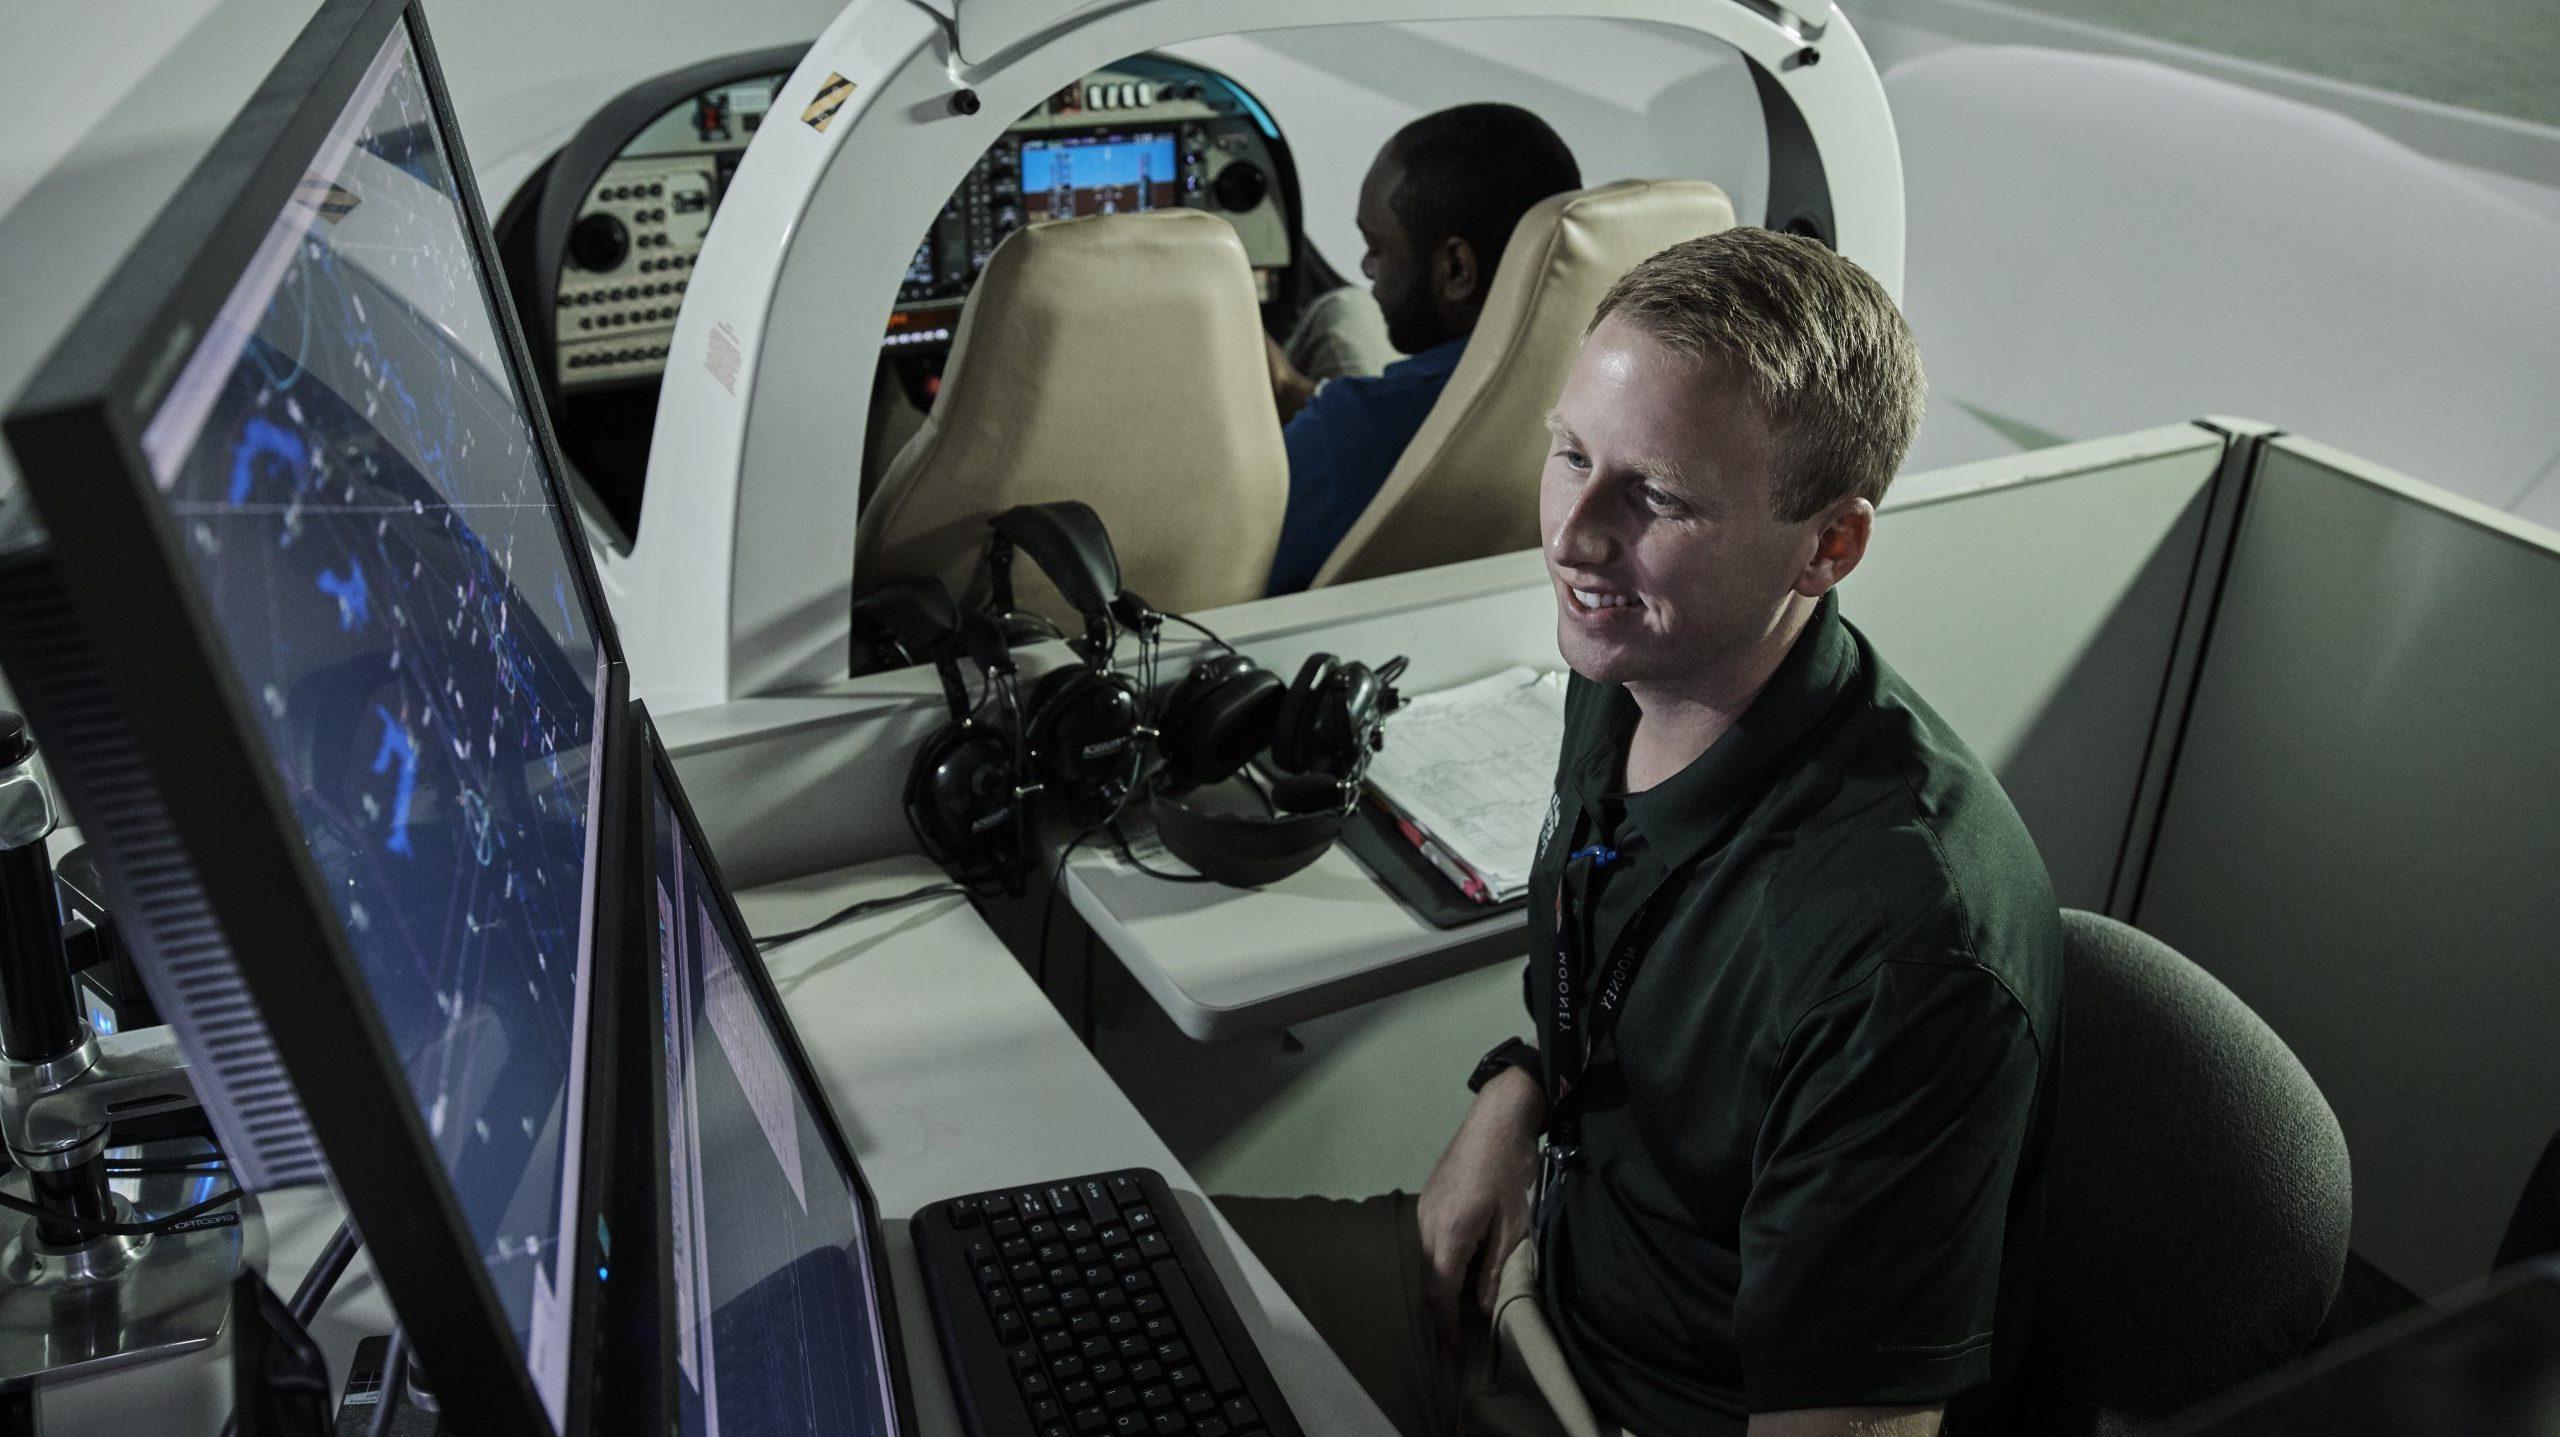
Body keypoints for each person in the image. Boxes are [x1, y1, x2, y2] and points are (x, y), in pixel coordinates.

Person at [1220, 229, 2065, 1437]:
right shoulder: (1629, 669)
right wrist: (1515, 1094)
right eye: (1571, 456)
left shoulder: (1900, 944)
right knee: (1081, 1277)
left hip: (1648, 1407)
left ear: (1827, 545)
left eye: (1655, 497)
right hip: (1524, 1290)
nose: (1572, 537)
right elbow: (1631, 998)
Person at [1259, 104, 1581, 595]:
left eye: (1378, 247)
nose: (1367, 268)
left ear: (1456, 269)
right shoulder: (1597, 384)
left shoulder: (1350, 431)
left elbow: (1225, 562)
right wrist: (1303, 396)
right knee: (1343, 308)